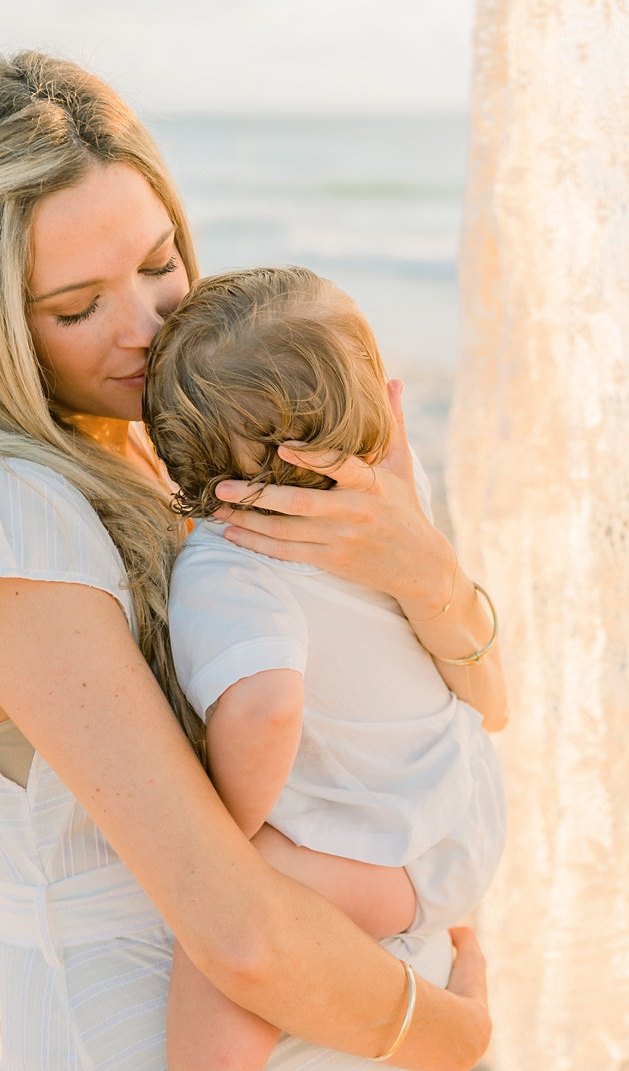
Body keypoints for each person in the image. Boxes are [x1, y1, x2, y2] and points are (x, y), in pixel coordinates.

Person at [0, 51, 499, 1069]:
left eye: (160, 263)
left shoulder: (184, 457)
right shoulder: (0, 514)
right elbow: (240, 930)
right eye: (76, 308)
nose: (147, 326)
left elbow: (491, 709)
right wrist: (455, 1037)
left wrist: (421, 569)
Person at [142, 266, 509, 1070]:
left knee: (224, 918)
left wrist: (229, 831)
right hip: (463, 810)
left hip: (386, 862)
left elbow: (268, 706)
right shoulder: (390, 507)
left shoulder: (232, 563)